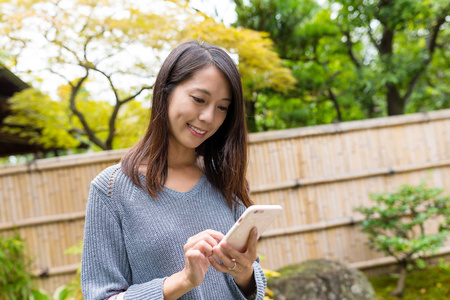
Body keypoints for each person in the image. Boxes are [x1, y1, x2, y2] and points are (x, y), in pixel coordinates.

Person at [81, 41, 267, 300]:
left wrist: (244, 272)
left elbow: (253, 284)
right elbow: (100, 296)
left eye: (222, 107)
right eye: (199, 99)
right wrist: (182, 281)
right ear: (166, 91)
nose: (208, 117)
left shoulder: (225, 179)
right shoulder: (111, 189)